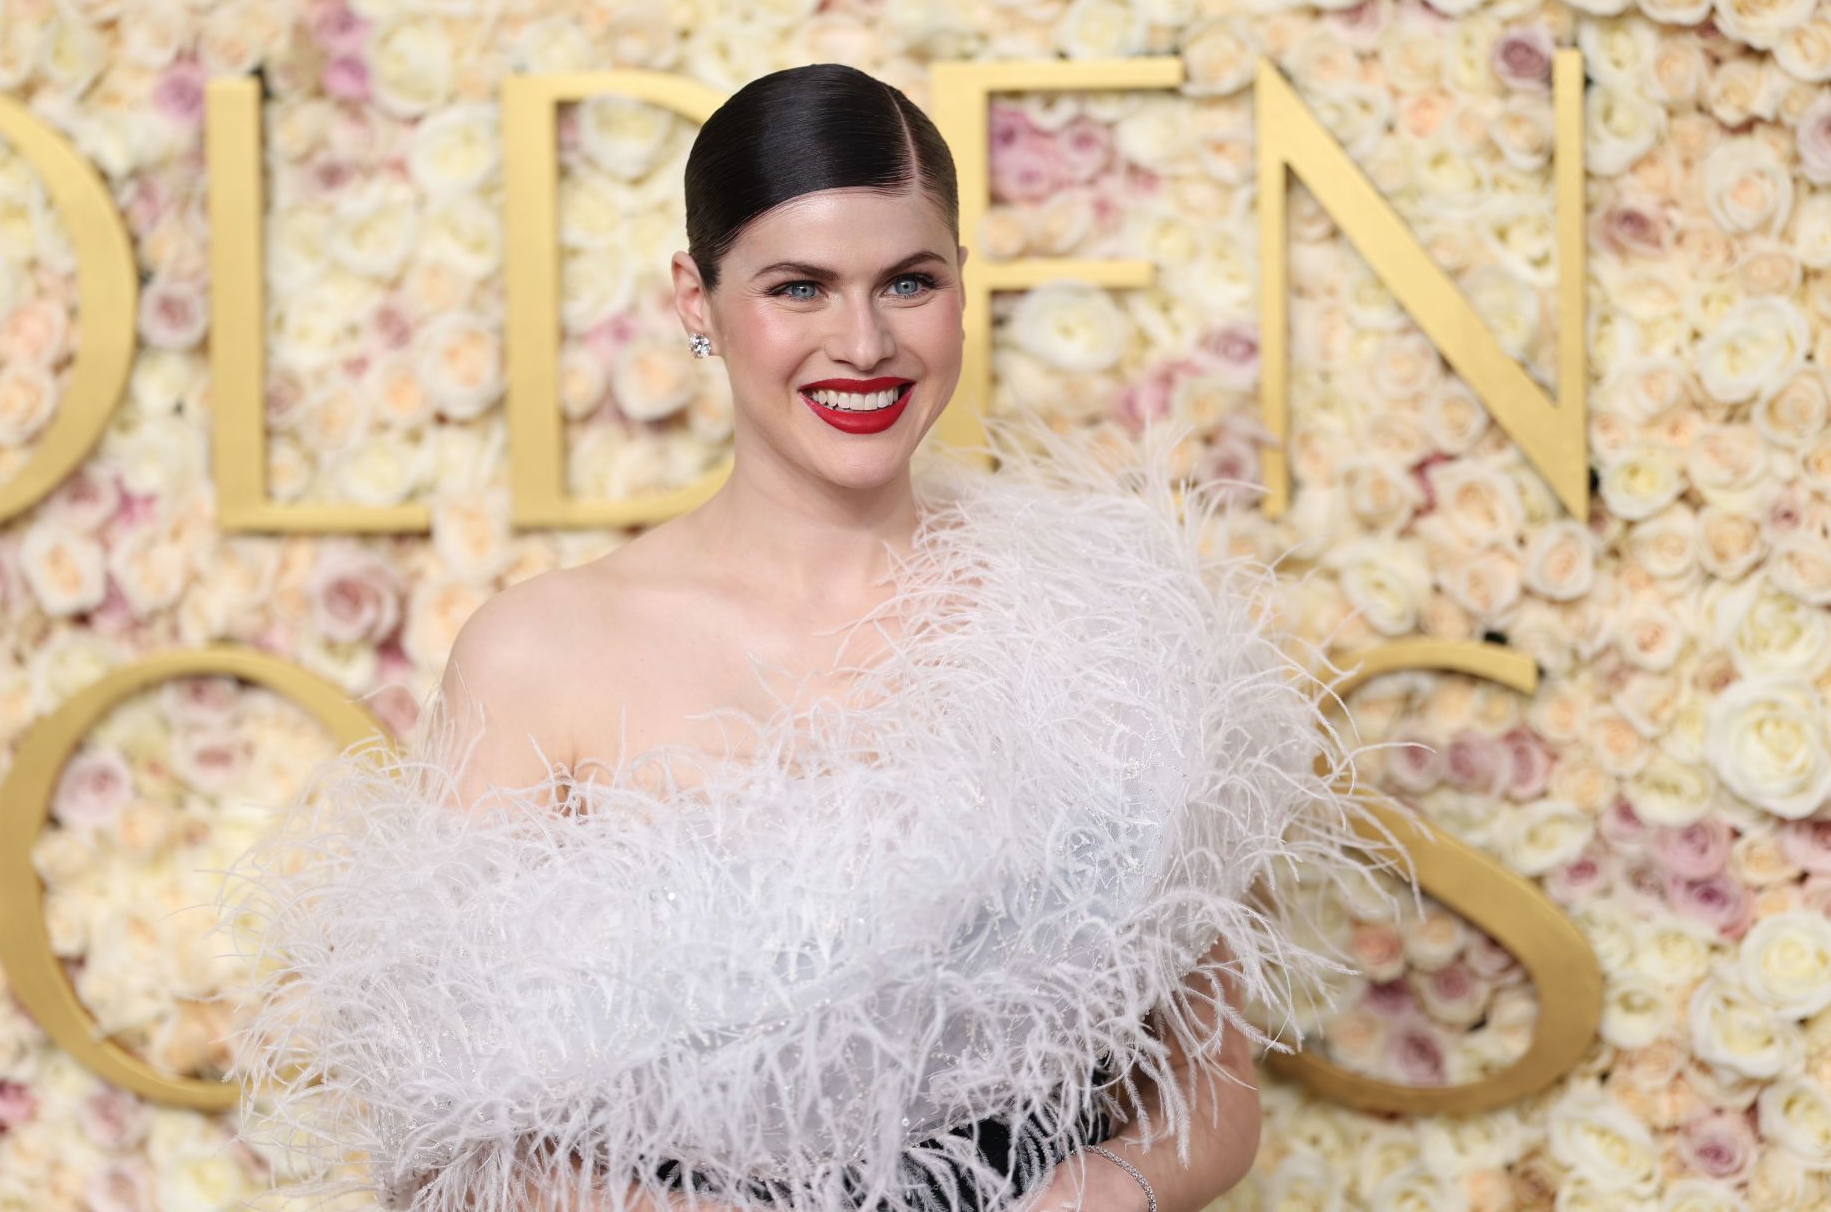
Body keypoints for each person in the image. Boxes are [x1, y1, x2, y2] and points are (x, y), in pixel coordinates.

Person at [214, 64, 1415, 1212]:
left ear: (960, 282)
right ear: (699, 299)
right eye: (799, 288)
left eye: (908, 281)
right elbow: (444, 1147)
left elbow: (1210, 1101)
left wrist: (1094, 1193)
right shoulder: (545, 653)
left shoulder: (1116, 623)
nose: (865, 343)